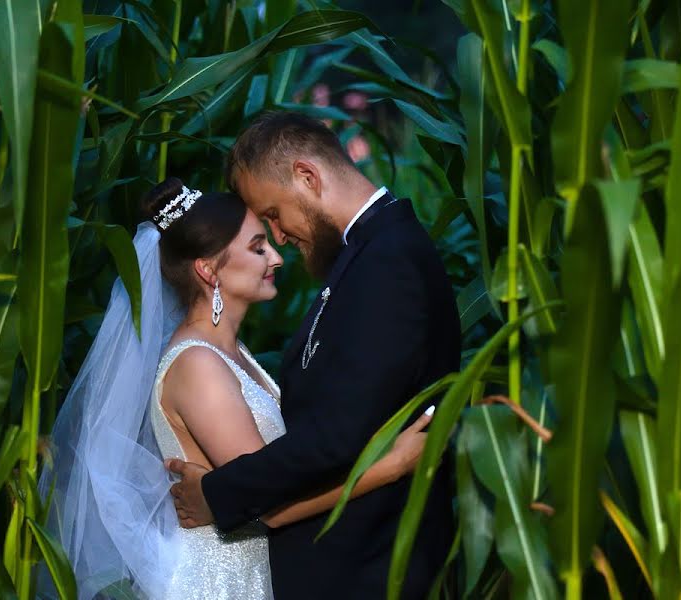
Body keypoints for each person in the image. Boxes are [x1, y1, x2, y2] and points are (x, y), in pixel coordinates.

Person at [39, 178, 433, 600]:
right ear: (208, 269)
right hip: (216, 584)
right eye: (258, 247)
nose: (276, 258)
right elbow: (269, 503)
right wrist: (389, 467)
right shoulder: (197, 366)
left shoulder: (230, 353)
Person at [167, 112, 462, 599]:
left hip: (371, 571)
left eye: (275, 215)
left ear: (307, 176)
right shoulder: (367, 256)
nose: (280, 237)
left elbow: (336, 436)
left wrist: (217, 494)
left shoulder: (388, 262)